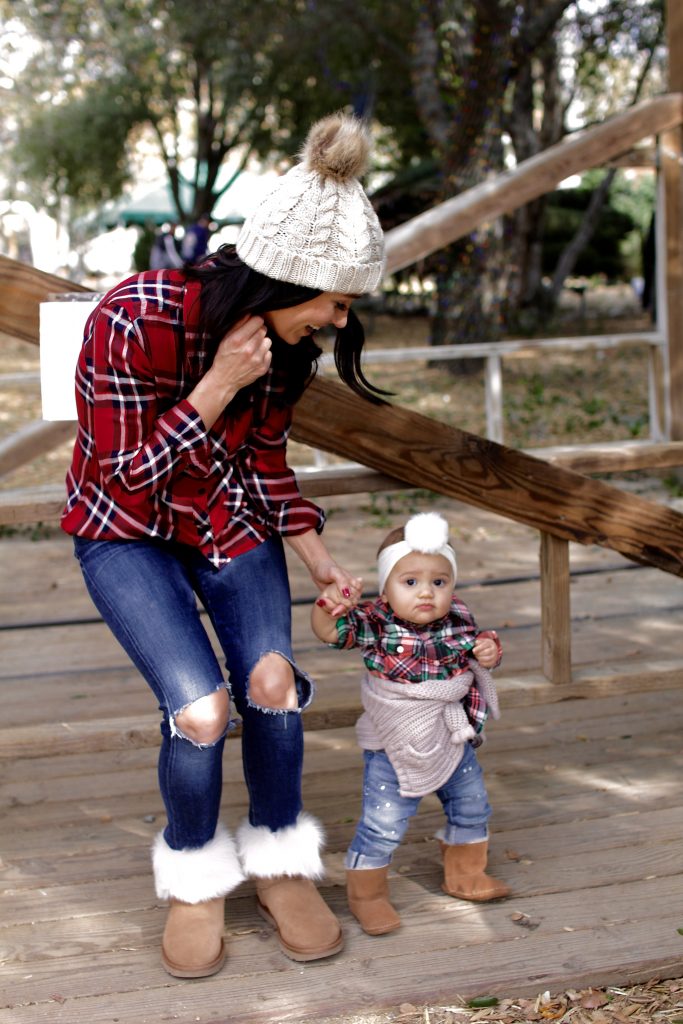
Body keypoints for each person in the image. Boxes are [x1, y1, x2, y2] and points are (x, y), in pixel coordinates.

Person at [61, 112, 386, 977]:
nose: (335, 321)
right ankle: (195, 874)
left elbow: (264, 459)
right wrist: (214, 386)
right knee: (201, 710)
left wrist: (320, 563)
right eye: (334, 302)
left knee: (273, 685)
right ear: (285, 279)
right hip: (123, 533)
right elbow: (126, 478)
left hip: (225, 520)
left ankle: (279, 859)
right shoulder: (132, 314)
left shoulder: (281, 352)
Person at [311, 511, 510, 937]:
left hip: (451, 733)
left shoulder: (457, 617)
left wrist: (489, 650)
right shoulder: (376, 623)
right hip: (394, 740)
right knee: (384, 821)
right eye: (410, 582)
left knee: (472, 803)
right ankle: (367, 894)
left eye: (439, 582)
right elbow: (330, 633)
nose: (426, 593)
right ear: (386, 587)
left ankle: (465, 872)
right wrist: (329, 608)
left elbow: (477, 648)